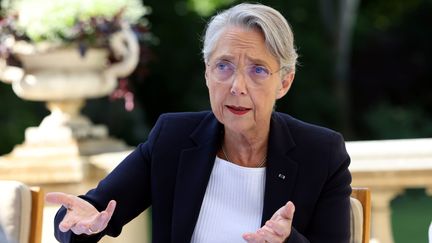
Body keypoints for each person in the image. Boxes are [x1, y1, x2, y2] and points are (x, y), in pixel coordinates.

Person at [46, 3, 352, 243]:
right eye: (224, 66)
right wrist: (79, 224)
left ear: (285, 82)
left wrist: (286, 240)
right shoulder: (173, 138)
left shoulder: (321, 153)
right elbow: (87, 213)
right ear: (207, 73)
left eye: (258, 70)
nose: (237, 86)